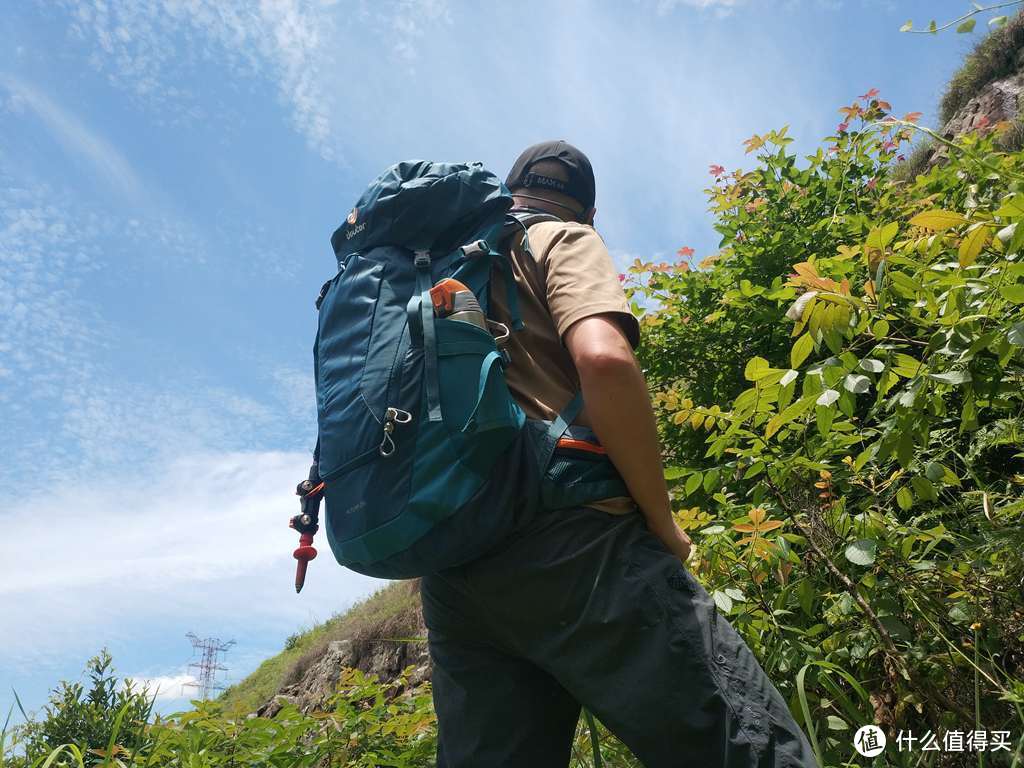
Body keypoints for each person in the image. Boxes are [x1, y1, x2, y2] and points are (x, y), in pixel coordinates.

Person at [419, 141, 817, 767]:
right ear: (590, 209)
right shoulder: (562, 238)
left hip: (452, 567)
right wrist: (662, 521)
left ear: (512, 188)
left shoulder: (434, 270)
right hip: (577, 544)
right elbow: (605, 360)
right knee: (753, 750)